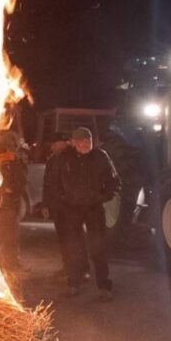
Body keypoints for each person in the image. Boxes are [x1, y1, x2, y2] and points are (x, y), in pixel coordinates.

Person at [50, 127, 120, 300]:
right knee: (73, 247)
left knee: (98, 247)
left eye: (88, 140)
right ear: (73, 143)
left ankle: (104, 286)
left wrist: (103, 196)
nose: (85, 144)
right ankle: (74, 283)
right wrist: (62, 198)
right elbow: (54, 181)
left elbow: (114, 181)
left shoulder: (100, 157)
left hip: (94, 208)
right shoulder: (64, 158)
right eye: (80, 141)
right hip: (71, 209)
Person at [0, 132, 28, 272]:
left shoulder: (14, 160)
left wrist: (10, 190)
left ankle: (10, 265)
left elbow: (20, 181)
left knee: (9, 238)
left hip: (7, 206)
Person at [41, 133, 72, 276]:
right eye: (52, 144)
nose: (52, 146)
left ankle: (81, 269)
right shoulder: (52, 160)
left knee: (72, 239)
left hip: (69, 206)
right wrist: (45, 205)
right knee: (63, 239)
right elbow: (47, 184)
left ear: (64, 143)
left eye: (55, 143)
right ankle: (67, 267)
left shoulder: (72, 158)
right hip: (57, 206)